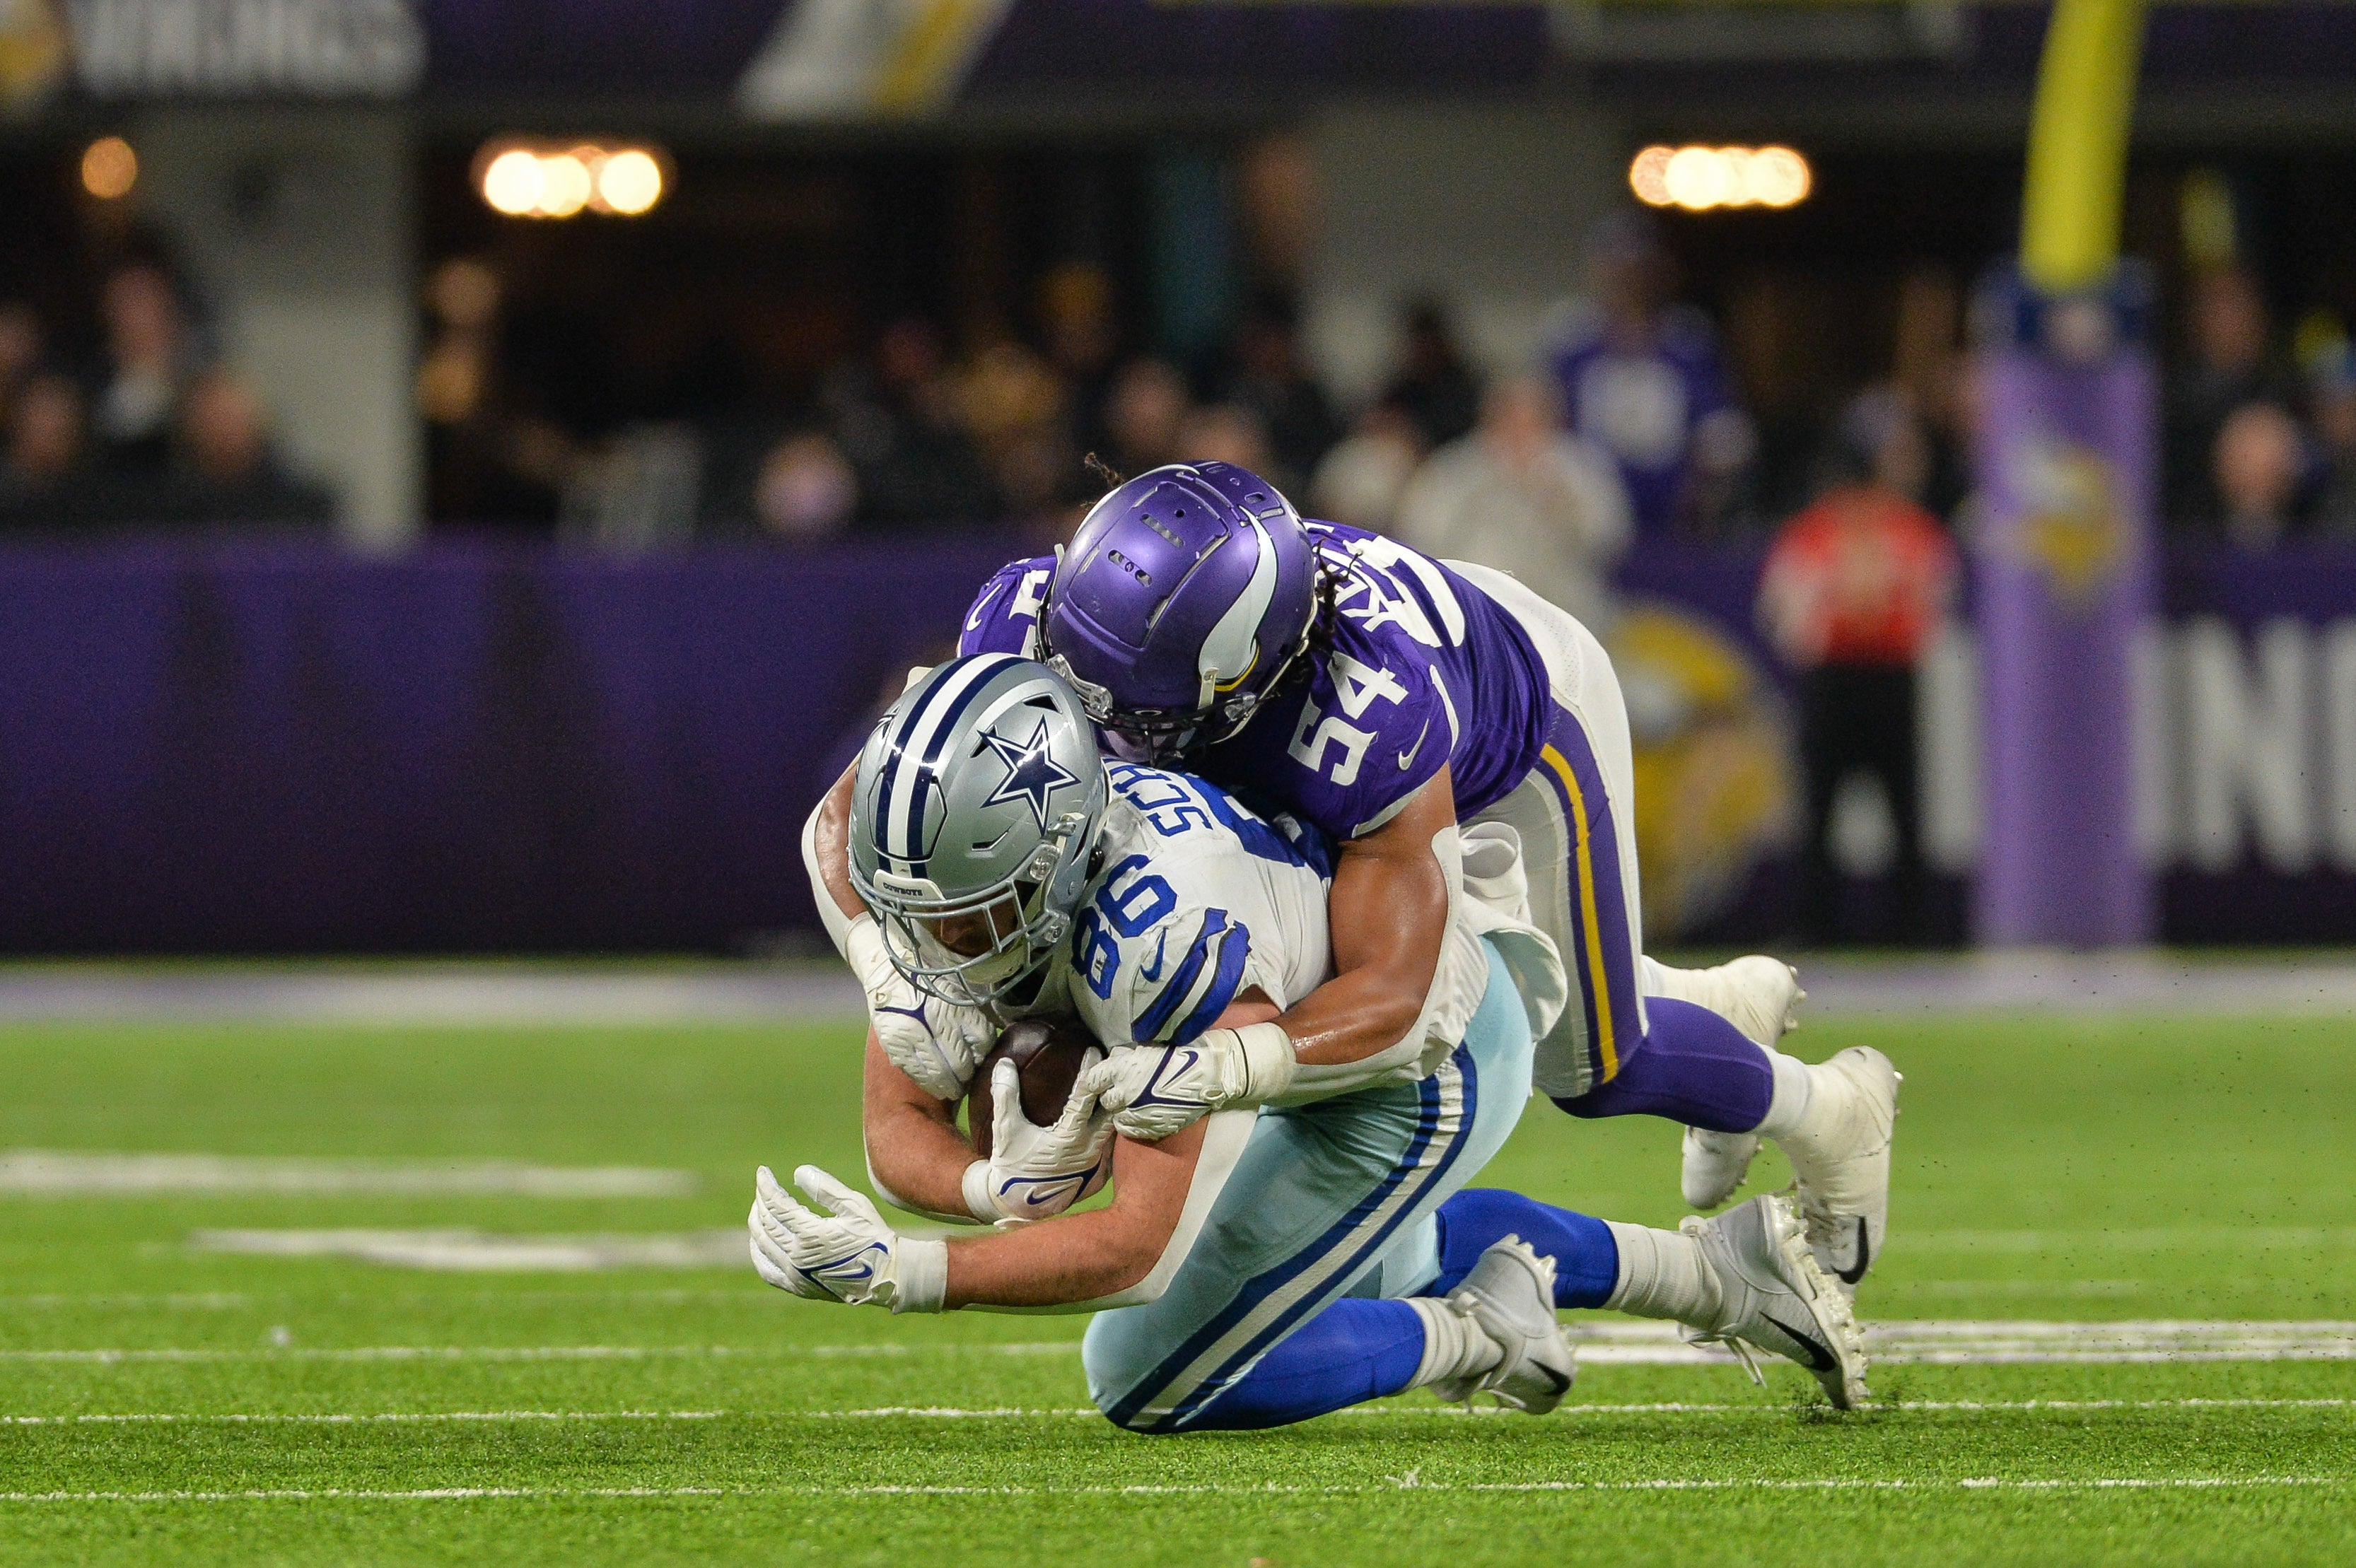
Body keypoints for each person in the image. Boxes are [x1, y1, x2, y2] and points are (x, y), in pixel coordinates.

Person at [806, 462, 1903, 1292]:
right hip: (1311, 755)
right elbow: (872, 801)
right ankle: (1695, 995)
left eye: (1128, 706)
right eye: (1072, 668)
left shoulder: (1368, 715)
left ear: (1244, 675)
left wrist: (1238, 1060)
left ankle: (1827, 1108)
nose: (1093, 720)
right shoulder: (1030, 616)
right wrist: (881, 966)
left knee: (1595, 1066)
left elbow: (1399, 996)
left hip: (1519, 725)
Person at [760, 655, 1867, 1431]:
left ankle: (1476, 1334)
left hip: (1412, 1054)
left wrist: (907, 1272)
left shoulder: (1159, 933)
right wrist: (995, 1183)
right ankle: (1720, 1271)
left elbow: (1135, 1253)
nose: (934, 945)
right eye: (911, 911)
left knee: (1149, 1372)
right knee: (1366, 1255)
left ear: (1050, 865)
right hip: (1304, 974)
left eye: (966, 915)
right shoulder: (952, 874)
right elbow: (900, 1116)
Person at [1758, 390, 1959, 945]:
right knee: (1821, 809)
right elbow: (1783, 608)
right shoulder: (1818, 532)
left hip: (1889, 678)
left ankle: (1915, 929)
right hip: (1837, 680)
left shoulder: (1910, 530)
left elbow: (1937, 600)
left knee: (1905, 809)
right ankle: (1813, 925)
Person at [1546, 213, 1751, 536]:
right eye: (1616, 269)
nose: (1627, 281)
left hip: (1674, 510)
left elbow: (1722, 432)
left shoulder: (1688, 342)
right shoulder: (1573, 341)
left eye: (1636, 269)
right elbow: (1549, 422)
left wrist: (1705, 490)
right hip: (1590, 511)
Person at [1392, 375, 1633, 631]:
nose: (1520, 430)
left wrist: (1560, 501)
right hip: (1476, 607)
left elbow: (1611, 538)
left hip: (1564, 607)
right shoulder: (1455, 468)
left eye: (1531, 419)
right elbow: (1419, 537)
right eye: (1510, 417)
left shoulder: (1582, 468)